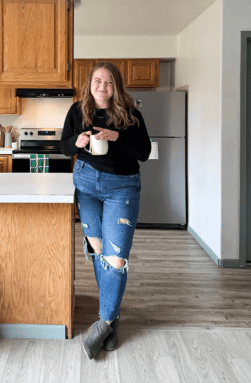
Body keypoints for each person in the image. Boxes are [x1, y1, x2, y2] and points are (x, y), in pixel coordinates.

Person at [60, 62, 151, 360]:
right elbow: (64, 148)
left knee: (116, 257)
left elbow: (145, 153)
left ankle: (105, 322)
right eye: (97, 81)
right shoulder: (78, 111)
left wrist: (116, 137)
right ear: (90, 84)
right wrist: (78, 141)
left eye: (108, 82)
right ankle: (111, 319)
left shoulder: (129, 113)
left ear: (116, 86)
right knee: (99, 250)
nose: (102, 86)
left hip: (121, 188)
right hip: (86, 185)